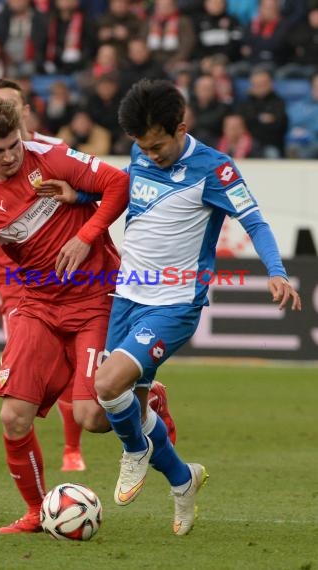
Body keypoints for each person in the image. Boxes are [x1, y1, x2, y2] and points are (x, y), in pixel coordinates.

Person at [0, 95, 176, 535]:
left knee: (92, 418)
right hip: (36, 307)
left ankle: (147, 395)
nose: (7, 157)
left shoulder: (54, 158)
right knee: (12, 416)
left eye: (13, 146)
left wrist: (85, 235)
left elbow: (118, 183)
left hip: (93, 299)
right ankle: (36, 511)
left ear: (21, 135)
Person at [86, 79, 301, 537]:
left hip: (175, 304)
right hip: (128, 295)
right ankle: (184, 480)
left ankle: (136, 452)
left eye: (159, 145)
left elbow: (254, 220)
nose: (152, 154)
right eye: (143, 147)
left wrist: (276, 270)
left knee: (107, 387)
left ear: (181, 127)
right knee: (116, 412)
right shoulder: (141, 154)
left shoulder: (216, 170)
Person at [0, 78, 88, 473]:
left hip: (67, 273)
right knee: (29, 365)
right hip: (13, 278)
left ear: (24, 113)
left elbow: (91, 194)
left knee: (70, 359)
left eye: (10, 107)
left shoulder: (54, 151)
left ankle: (72, 446)